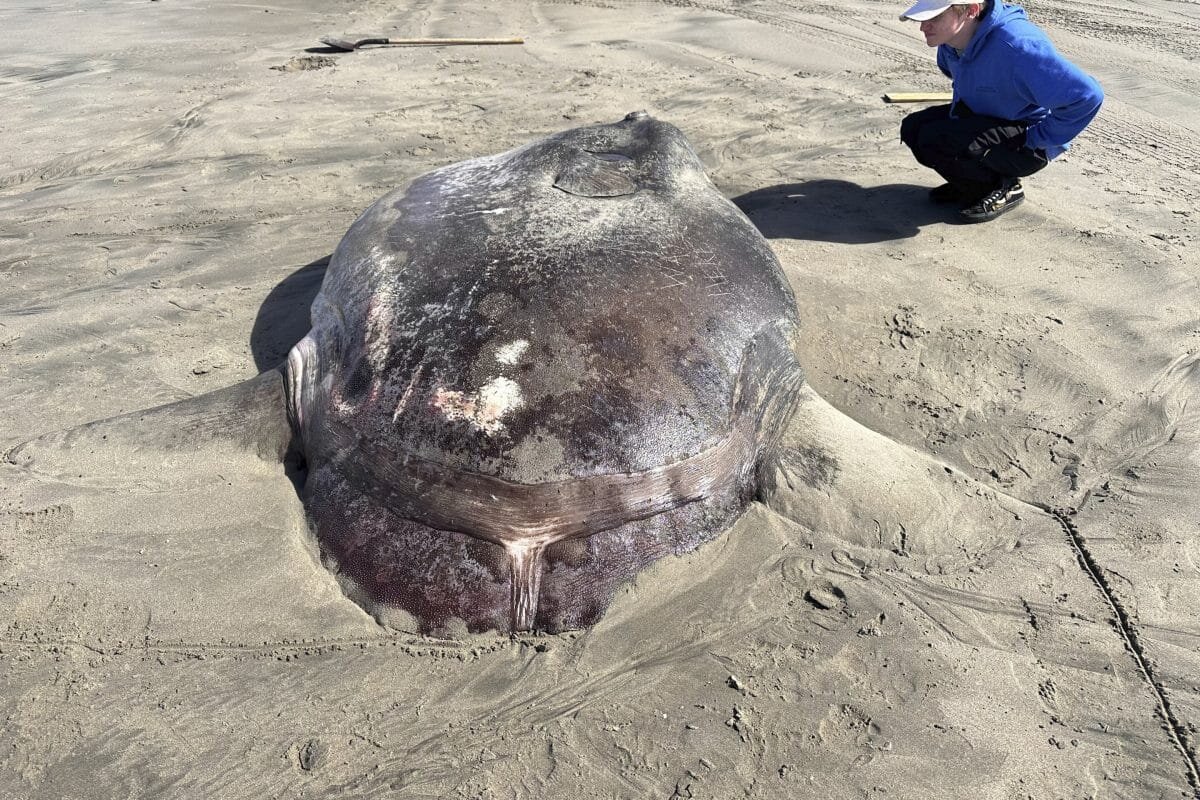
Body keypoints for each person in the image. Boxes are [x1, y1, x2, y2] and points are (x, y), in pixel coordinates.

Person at [898, 0, 1103, 222]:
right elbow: (954, 72)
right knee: (914, 128)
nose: (923, 27)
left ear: (972, 10)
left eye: (934, 17)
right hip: (989, 118)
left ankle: (1003, 187)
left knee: (937, 138)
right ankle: (971, 185)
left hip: (1026, 139)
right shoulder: (950, 41)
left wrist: (1036, 139)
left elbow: (1087, 96)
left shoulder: (1018, 46)